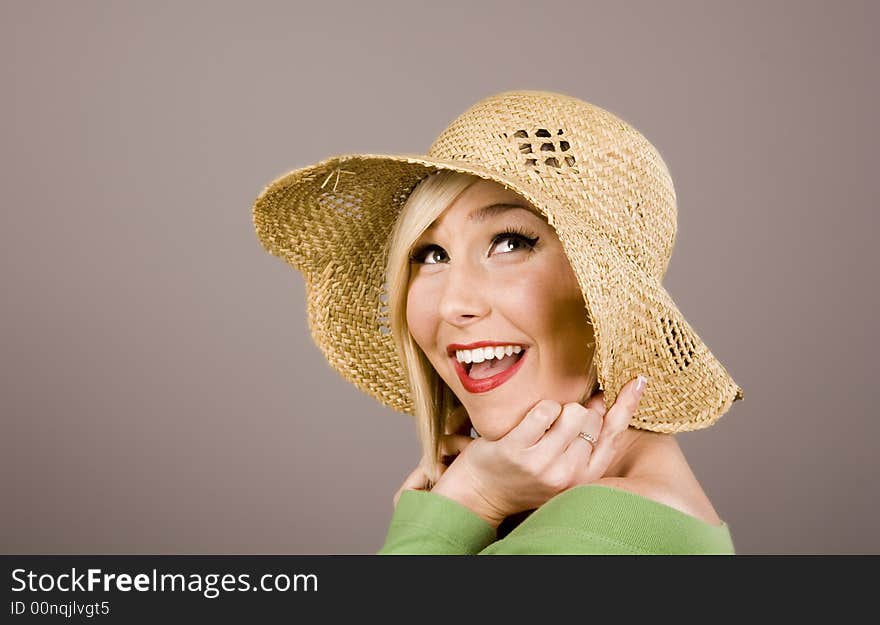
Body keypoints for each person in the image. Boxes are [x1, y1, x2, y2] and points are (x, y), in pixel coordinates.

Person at [252, 90, 744, 554]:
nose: (453, 304)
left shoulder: (600, 532)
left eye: (510, 243)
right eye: (431, 253)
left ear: (604, 293)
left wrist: (464, 504)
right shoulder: (578, 516)